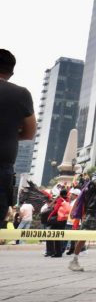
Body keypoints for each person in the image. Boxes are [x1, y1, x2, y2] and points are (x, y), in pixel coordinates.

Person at [0, 49, 36, 224]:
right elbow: (30, 132)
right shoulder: (21, 94)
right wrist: (11, 134)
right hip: (2, 167)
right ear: (11, 72)